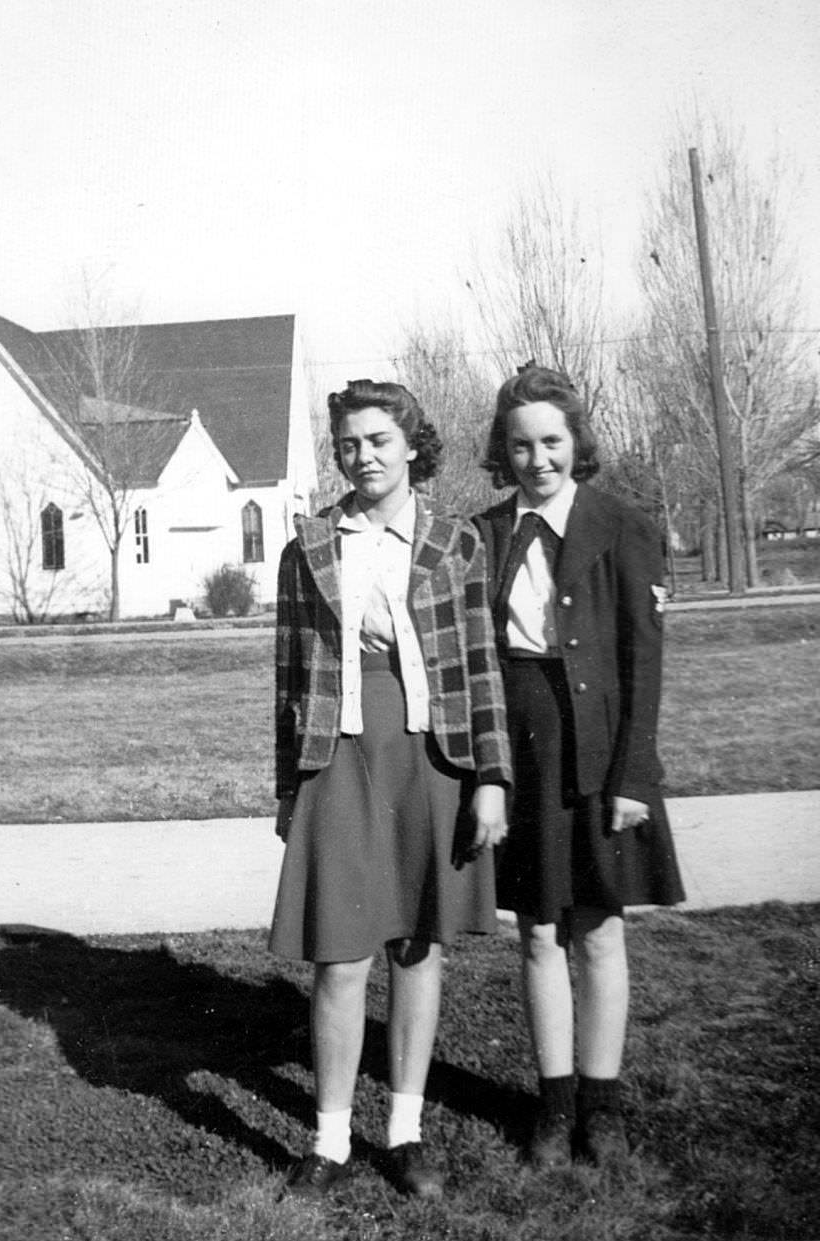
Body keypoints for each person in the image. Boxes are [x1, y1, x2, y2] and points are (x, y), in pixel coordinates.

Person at [270, 379, 512, 1199]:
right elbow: (287, 677)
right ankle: (330, 1139)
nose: (364, 456)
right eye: (349, 443)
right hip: (340, 754)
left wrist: (490, 778)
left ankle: (404, 1131)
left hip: (431, 757)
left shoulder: (456, 542)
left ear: (411, 444)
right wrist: (285, 787)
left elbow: (482, 670)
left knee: (417, 944)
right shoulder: (308, 544)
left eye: (379, 440)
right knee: (339, 956)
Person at [473, 364, 685, 1169]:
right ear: (505, 450)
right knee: (536, 931)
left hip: (600, 746)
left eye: (552, 441)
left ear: (576, 442)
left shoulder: (621, 525)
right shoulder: (485, 535)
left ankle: (602, 1100)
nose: (538, 460)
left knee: (598, 928)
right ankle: (553, 1101)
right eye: (521, 445)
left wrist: (633, 776)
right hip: (521, 746)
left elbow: (643, 659)